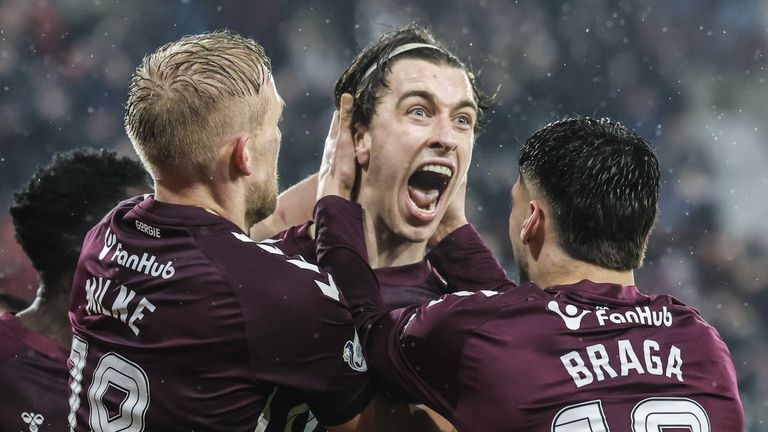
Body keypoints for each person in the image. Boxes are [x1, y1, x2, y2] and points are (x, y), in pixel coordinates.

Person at [67, 30, 438, 431]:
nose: (279, 135)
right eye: (274, 121)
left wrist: (343, 178)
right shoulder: (274, 296)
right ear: (244, 153)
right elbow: (382, 426)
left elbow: (242, 251)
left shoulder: (107, 236)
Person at [314, 116, 745, 431]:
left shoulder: (478, 332)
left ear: (531, 221)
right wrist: (450, 232)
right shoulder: (702, 343)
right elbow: (533, 335)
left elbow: (367, 331)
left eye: (516, 202)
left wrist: (333, 204)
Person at [249, 24, 501, 431]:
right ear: (358, 136)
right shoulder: (263, 269)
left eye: (462, 120)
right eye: (419, 111)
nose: (447, 139)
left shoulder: (466, 309)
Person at [1, 148, 150, 432]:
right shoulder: (6, 360)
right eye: (140, 233)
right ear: (86, 248)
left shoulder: (156, 366)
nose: (161, 253)